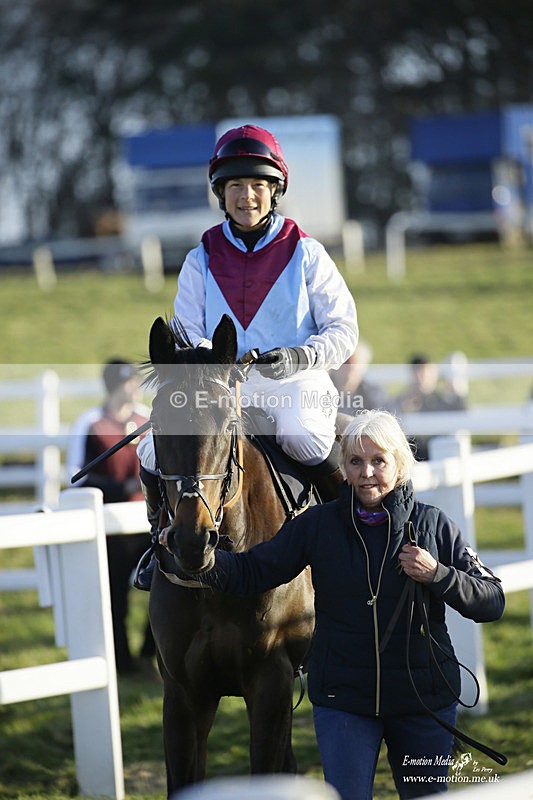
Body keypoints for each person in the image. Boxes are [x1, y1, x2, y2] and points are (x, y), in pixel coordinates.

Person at [165, 409, 505, 800]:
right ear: (343, 466)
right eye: (356, 462)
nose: (367, 473)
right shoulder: (317, 525)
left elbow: (492, 600)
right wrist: (199, 558)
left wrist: (438, 575)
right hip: (345, 705)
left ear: (400, 464)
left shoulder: (434, 526)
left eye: (379, 461)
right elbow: (253, 571)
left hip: (422, 704)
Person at [135, 123, 358, 588]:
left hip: (294, 381)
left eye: (258, 184)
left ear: (275, 190)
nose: (246, 196)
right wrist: (215, 367)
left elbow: (343, 330)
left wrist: (298, 357)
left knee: (304, 437)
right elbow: (187, 333)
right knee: (151, 449)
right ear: (221, 193)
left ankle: (354, 540)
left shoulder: (307, 252)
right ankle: (161, 542)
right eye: (235, 185)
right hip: (219, 387)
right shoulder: (200, 257)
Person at [67, 359, 156, 674]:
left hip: (147, 523)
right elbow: (75, 475)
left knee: (163, 586)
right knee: (115, 596)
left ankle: (150, 652)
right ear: (116, 386)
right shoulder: (91, 422)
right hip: (109, 527)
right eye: (130, 382)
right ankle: (122, 663)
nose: (135, 387)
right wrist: (120, 488)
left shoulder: (147, 419)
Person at [393, 354, 467, 460]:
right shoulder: (403, 400)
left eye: (427, 373)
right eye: (420, 373)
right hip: (414, 455)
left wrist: (455, 394)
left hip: (439, 452)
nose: (423, 378)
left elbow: (463, 415)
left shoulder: (440, 399)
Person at [330, 339, 391, 414]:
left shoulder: (374, 395)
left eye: (355, 362)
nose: (350, 366)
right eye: (346, 361)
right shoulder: (322, 389)